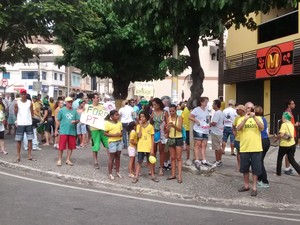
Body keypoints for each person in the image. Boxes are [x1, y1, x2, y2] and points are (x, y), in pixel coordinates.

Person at [236, 102, 264, 197]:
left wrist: (254, 117)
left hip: (256, 148)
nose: (250, 109)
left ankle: (254, 187)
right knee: (245, 169)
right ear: (245, 109)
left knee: (256, 169)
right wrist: (245, 119)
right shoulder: (241, 119)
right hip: (245, 148)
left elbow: (262, 127)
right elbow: (238, 129)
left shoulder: (259, 118)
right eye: (248, 108)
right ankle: (246, 185)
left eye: (252, 108)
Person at [132, 111, 159, 183]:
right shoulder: (138, 126)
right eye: (140, 117)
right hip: (141, 146)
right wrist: (140, 126)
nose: (142, 118)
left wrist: (152, 148)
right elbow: (139, 136)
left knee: (150, 162)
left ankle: (152, 175)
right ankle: (136, 176)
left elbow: (152, 138)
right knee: (139, 161)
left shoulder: (150, 126)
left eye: (143, 117)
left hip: (148, 147)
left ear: (147, 117)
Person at [54, 96, 80, 166]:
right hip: (63, 131)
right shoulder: (62, 110)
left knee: (71, 146)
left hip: (72, 131)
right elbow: (58, 121)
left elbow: (78, 119)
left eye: (71, 102)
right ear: (66, 103)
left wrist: (75, 121)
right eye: (69, 102)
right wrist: (56, 130)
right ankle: (59, 159)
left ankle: (68, 159)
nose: (70, 103)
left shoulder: (74, 110)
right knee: (61, 146)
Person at [189, 97, 212, 168]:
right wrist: (197, 121)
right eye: (205, 101)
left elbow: (208, 118)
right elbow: (190, 117)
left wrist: (209, 124)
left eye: (207, 102)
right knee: (197, 145)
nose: (206, 103)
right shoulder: (197, 110)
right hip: (198, 130)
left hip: (205, 130)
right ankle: (197, 160)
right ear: (201, 102)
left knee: (204, 145)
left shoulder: (206, 110)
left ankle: (204, 160)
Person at [276, 112, 300, 176]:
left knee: (279, 159)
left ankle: (278, 173)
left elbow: (281, 135)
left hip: (284, 145)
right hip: (292, 144)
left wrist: (277, 138)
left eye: (282, 116)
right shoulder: (291, 124)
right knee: (291, 159)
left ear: (285, 118)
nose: (281, 118)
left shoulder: (284, 124)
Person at [14, 89, 35, 162]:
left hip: (28, 123)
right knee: (19, 140)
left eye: (24, 94)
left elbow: (32, 112)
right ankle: (18, 156)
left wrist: (30, 119)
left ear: (26, 94)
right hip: (20, 124)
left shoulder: (30, 102)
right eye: (22, 94)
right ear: (20, 95)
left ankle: (29, 155)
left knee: (30, 140)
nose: (23, 95)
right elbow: (15, 112)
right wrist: (17, 120)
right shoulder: (17, 103)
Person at [89, 93, 109, 169]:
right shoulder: (89, 107)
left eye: (98, 98)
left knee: (108, 145)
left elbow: (106, 116)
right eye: (97, 98)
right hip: (94, 129)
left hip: (102, 129)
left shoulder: (102, 107)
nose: (98, 99)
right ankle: (95, 162)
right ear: (92, 99)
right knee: (95, 146)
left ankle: (111, 161)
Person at [166, 104, 184, 183]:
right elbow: (166, 131)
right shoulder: (168, 118)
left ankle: (179, 175)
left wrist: (173, 126)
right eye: (170, 111)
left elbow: (180, 129)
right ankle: (173, 174)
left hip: (178, 138)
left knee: (178, 158)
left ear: (176, 110)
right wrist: (167, 128)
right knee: (172, 157)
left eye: (173, 111)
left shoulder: (179, 118)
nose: (171, 112)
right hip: (171, 138)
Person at [104, 110, 123, 180]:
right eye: (116, 115)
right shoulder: (108, 124)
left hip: (119, 141)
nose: (118, 116)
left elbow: (121, 131)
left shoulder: (119, 123)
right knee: (111, 157)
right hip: (112, 142)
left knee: (118, 157)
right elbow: (105, 133)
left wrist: (120, 134)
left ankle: (117, 172)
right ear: (112, 116)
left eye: (118, 115)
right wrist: (114, 135)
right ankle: (110, 173)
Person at [255, 106, 271, 188]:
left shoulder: (255, 119)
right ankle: (260, 179)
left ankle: (264, 181)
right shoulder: (264, 119)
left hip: (261, 141)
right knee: (260, 161)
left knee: (259, 161)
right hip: (266, 141)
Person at [150, 97, 167, 176]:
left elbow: (167, 122)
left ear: (159, 104)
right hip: (154, 132)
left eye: (156, 105)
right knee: (153, 151)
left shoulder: (164, 112)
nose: (154, 106)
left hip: (161, 133)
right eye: (153, 105)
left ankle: (161, 168)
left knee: (161, 151)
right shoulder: (153, 112)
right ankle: (152, 168)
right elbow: (151, 123)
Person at [283, 99, 298, 175]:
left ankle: (288, 167)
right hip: (290, 135)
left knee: (290, 153)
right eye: (292, 104)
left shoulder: (290, 112)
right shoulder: (287, 113)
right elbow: (285, 123)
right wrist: (295, 125)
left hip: (293, 134)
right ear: (289, 105)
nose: (294, 105)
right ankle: (287, 168)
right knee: (288, 153)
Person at [210, 99, 224, 167]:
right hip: (219, 131)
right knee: (217, 147)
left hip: (216, 132)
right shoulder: (220, 112)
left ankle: (218, 160)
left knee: (217, 147)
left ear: (216, 105)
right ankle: (218, 160)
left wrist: (208, 123)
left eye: (213, 104)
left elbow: (214, 123)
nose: (212, 105)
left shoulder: (217, 113)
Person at [232, 105, 246, 170]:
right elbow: (233, 125)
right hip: (238, 138)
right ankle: (239, 165)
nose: (236, 111)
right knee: (239, 153)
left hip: (245, 139)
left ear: (242, 110)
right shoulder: (237, 118)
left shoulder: (247, 117)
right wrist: (234, 132)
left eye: (238, 110)